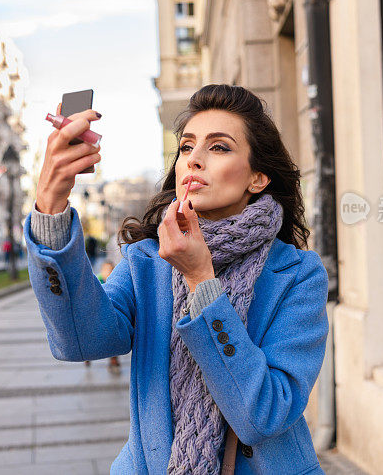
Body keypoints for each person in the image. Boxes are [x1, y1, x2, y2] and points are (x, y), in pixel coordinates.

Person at [25, 85, 329, 474]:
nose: (194, 160)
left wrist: (200, 280)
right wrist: (50, 210)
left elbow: (263, 414)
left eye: (218, 147)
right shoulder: (148, 260)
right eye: (186, 147)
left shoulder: (298, 275)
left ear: (257, 178)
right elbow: (81, 340)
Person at [84, 261, 121, 374]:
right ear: (101, 271)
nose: (108, 272)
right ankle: (87, 356)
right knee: (90, 338)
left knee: (113, 336)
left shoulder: (115, 281)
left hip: (109, 316)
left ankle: (113, 359)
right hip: (94, 315)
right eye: (106, 270)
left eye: (110, 270)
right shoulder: (96, 281)